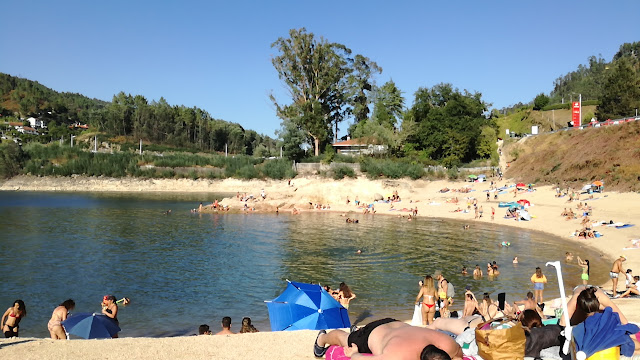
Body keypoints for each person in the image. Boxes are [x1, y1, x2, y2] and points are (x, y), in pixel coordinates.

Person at [313, 318, 463, 359]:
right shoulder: (397, 357)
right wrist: (354, 353)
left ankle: (356, 330)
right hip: (373, 334)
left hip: (396, 324)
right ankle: (322, 338)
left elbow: (458, 355)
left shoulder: (448, 344)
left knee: (352, 334)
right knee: (343, 338)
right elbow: (359, 359)